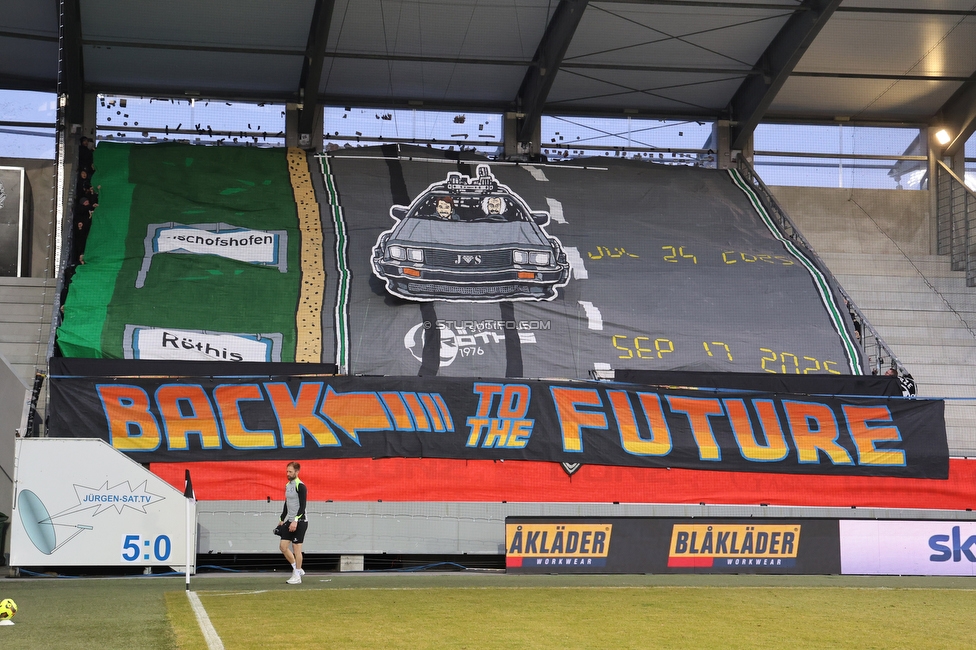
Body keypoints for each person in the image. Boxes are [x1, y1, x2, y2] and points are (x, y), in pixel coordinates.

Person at [277, 461, 308, 584]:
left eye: (290, 471)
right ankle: (297, 568)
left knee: (296, 549)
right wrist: (281, 519)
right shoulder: (288, 485)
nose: (288, 473)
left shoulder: (300, 486)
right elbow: (287, 503)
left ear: (297, 472)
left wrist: (295, 520)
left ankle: (297, 576)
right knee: (283, 547)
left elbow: (302, 505)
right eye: (287, 471)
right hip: (289, 521)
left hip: (300, 521)